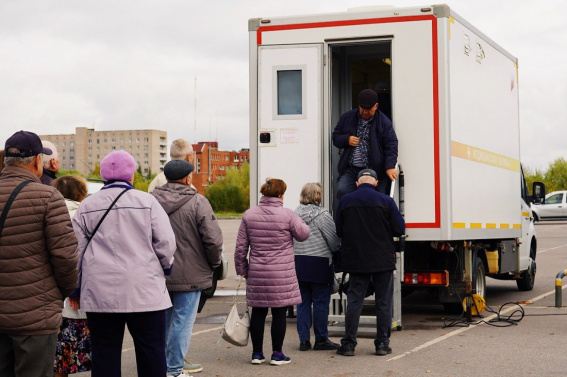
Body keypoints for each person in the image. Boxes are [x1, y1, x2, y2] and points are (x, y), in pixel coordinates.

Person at [72, 150, 176, 377]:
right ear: (131, 175)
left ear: (103, 175)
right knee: (151, 350)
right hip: (145, 290)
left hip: (100, 291)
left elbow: (76, 250)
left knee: (105, 351)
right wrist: (165, 266)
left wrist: (76, 288)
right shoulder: (147, 202)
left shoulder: (87, 206)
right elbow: (166, 242)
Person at [0, 130, 78, 377]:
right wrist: (59, 295)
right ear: (37, 161)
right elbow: (66, 257)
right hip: (36, 316)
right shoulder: (48, 196)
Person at [152, 160, 223, 377]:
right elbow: (213, 240)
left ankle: (161, 366)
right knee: (182, 322)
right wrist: (213, 264)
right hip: (191, 273)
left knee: (163, 322)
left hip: (158, 273)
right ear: (188, 178)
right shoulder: (199, 202)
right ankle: (174, 369)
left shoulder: (151, 200)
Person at [234, 178, 310, 366]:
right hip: (281, 274)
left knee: (258, 312)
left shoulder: (249, 215)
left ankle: (257, 354)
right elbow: (303, 234)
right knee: (279, 313)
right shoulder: (288, 215)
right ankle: (277, 354)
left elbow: (240, 248)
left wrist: (243, 269)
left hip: (257, 272)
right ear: (280, 195)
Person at [334, 169, 405, 357]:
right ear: (375, 183)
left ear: (357, 184)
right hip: (382, 260)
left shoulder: (345, 201)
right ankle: (382, 344)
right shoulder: (386, 201)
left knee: (355, 301)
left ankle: (348, 344)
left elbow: (338, 231)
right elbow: (399, 229)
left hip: (356, 260)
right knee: (383, 303)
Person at [51, 175, 92, 377]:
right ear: (81, 194)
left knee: (57, 357)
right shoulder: (83, 215)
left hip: (51, 295)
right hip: (79, 293)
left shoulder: (50, 213)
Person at [293, 183, 341, 352]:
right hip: (319, 263)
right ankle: (321, 339)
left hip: (298, 263)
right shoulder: (323, 215)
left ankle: (304, 340)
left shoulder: (294, 214)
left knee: (302, 303)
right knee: (320, 303)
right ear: (318, 196)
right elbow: (334, 242)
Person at [332, 88, 399, 198]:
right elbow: (335, 137)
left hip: (375, 169)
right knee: (343, 191)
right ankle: (347, 215)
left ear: (376, 106)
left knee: (377, 198)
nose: (365, 112)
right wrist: (346, 139)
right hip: (351, 169)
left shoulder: (384, 122)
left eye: (368, 109)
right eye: (362, 108)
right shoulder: (347, 117)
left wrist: (390, 166)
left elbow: (391, 144)